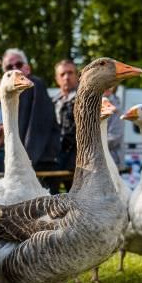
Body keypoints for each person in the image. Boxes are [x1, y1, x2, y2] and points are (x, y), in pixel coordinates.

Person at [0, 48, 60, 174]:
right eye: (9, 67)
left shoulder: (34, 85)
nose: (15, 69)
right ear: (5, 73)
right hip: (7, 151)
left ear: (27, 68)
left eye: (19, 64)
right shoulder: (5, 92)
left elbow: (38, 128)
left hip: (29, 155)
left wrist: (25, 164)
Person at [52, 59, 79, 187]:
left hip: (78, 160)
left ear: (77, 76)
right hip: (55, 158)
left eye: (70, 73)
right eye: (62, 74)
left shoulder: (84, 99)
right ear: (57, 78)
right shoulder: (52, 101)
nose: (66, 77)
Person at [104, 85, 125, 168]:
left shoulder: (115, 108)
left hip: (112, 162)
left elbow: (114, 137)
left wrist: (91, 147)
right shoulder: (92, 104)